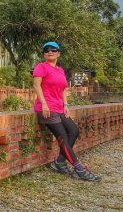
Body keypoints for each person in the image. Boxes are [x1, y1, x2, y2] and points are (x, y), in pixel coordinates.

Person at [32, 41, 101, 182]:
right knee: (62, 136)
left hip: (59, 107)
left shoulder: (60, 70)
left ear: (58, 53)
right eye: (46, 50)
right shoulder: (41, 67)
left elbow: (63, 88)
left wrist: (66, 104)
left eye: (53, 49)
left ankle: (59, 162)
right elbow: (36, 85)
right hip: (47, 109)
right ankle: (79, 169)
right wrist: (44, 104)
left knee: (74, 131)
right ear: (44, 53)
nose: (49, 52)